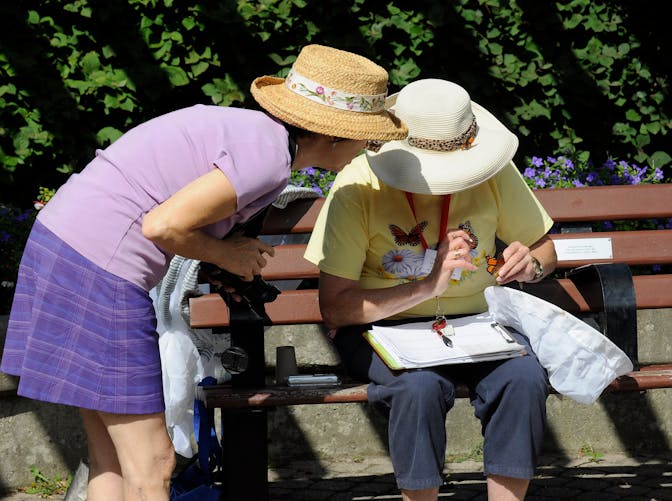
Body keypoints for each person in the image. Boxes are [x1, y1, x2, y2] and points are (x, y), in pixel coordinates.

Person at [0, 44, 406, 501]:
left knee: (112, 457)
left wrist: (221, 256)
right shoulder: (265, 155)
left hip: (63, 249)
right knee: (154, 460)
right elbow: (163, 225)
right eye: (365, 137)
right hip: (100, 270)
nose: (367, 149)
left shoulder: (257, 136)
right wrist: (228, 256)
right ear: (331, 136)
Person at [304, 78, 557, 501]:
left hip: (478, 326)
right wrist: (426, 286)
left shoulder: (492, 169)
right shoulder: (356, 186)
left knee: (523, 377)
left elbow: (543, 250)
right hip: (382, 329)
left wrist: (531, 266)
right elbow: (335, 309)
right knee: (418, 388)